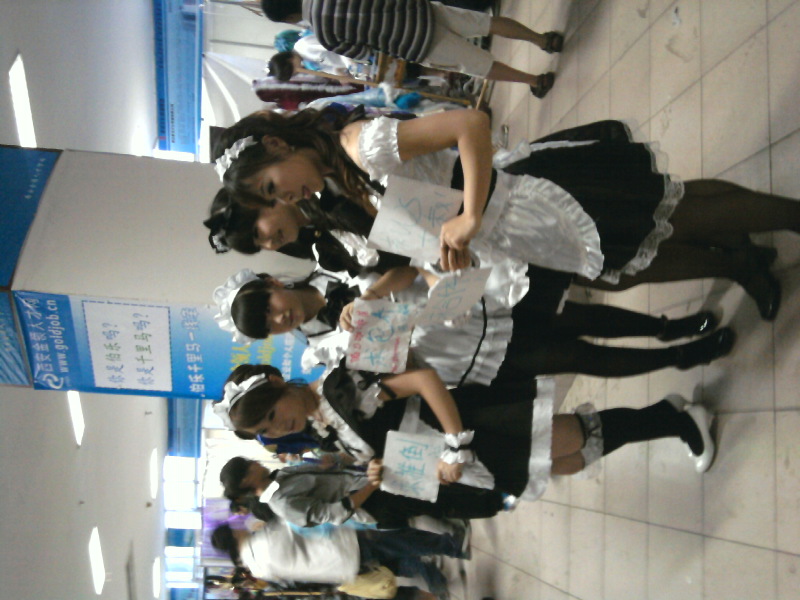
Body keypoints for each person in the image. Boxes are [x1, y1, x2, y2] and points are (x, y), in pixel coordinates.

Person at [210, 108, 798, 321]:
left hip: (528, 199)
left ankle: (785, 219)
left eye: (273, 188)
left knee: (673, 211)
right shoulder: (337, 189)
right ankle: (741, 263)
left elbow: (471, 124)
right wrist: (450, 254)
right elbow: (425, 220)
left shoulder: (360, 146)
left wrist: (467, 216)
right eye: (273, 202)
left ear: (279, 146)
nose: (287, 200)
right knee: (630, 266)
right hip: (515, 240)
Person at [212, 362, 717, 522]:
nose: (277, 428)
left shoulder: (339, 386)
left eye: (271, 415)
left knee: (572, 437)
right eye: (266, 431)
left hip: (468, 427)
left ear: (277, 385)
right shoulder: (321, 425)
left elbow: (423, 380)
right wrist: (377, 470)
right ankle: (666, 414)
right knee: (566, 460)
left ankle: (677, 420)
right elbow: (384, 446)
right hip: (449, 461)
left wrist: (455, 444)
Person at [213, 266, 732, 387]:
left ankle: (668, 327)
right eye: (270, 328)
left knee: (579, 315)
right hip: (462, 354)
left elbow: (407, 266)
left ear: (272, 283)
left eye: (271, 308)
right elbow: (390, 368)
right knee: (578, 357)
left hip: (471, 303)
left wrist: (370, 296)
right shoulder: (318, 349)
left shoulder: (330, 258)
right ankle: (679, 357)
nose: (281, 319)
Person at [260, 0, 562, 97]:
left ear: (288, 18)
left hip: (416, 42)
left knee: (478, 65)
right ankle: (543, 39)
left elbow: (367, 55)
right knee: (486, 23)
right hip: (419, 8)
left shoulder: (325, 35)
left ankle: (536, 80)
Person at [219, 455, 505, 529]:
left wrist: (335, 461)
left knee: (434, 488)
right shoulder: (281, 504)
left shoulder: (280, 477)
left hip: (368, 483)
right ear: (246, 480)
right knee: (436, 503)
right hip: (371, 501)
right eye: (249, 465)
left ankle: (491, 492)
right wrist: (371, 485)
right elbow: (336, 513)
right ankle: (495, 503)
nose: (255, 462)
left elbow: (325, 471)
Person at [211, 519, 467, 599]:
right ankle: (452, 546)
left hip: (342, 571)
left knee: (395, 563)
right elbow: (298, 522)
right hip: (345, 545)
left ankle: (435, 581)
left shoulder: (258, 569)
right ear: (233, 534)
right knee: (402, 541)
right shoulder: (264, 539)